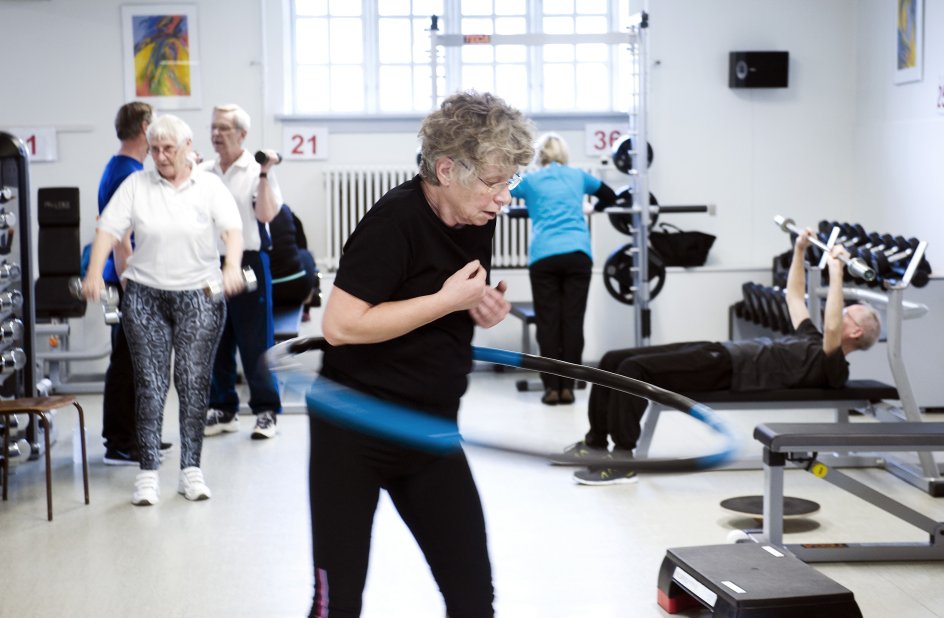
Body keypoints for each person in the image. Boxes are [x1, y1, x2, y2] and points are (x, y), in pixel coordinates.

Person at [309, 90, 533, 617]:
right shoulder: (393, 222)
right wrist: (444, 301)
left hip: (430, 427)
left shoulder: (478, 215)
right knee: (336, 604)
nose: (503, 198)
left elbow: (454, 295)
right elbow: (340, 326)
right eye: (493, 182)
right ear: (446, 169)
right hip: (354, 430)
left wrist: (480, 306)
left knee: (474, 598)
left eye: (509, 182)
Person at [564, 228, 882, 486]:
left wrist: (837, 271)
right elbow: (794, 296)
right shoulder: (811, 338)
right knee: (611, 358)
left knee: (633, 369)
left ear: (854, 333)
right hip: (719, 350)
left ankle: (622, 461)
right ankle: (594, 445)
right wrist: (800, 250)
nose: (839, 313)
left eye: (847, 315)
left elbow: (831, 325)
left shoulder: (833, 365)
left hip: (727, 369)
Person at [83, 114, 244, 506]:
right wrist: (92, 274)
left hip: (198, 296)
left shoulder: (208, 185)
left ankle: (191, 470)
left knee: (192, 384)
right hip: (146, 296)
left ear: (188, 146)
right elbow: (107, 229)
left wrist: (232, 267)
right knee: (151, 385)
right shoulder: (137, 184)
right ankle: (148, 473)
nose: (160, 156)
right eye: (154, 149)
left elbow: (232, 230)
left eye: (169, 149)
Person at [510, 132, 617, 405]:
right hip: (577, 254)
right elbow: (610, 196)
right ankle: (568, 387)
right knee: (572, 322)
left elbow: (504, 188)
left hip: (544, 255)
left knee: (548, 324)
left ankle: (552, 388)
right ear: (563, 154)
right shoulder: (578, 176)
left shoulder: (530, 180)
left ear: (540, 156)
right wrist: (592, 208)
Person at [199, 104, 283, 440]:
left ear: (242, 134)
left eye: (224, 128)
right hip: (210, 262)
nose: (216, 134)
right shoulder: (203, 172)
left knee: (255, 341)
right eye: (213, 128)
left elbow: (265, 216)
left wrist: (265, 174)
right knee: (216, 338)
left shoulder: (256, 168)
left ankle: (266, 411)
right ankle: (223, 408)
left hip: (249, 261)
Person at [96, 101, 172, 465]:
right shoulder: (127, 173)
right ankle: (121, 442)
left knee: (140, 363)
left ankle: (140, 435)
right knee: (128, 363)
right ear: (145, 127)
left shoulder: (127, 168)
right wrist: (133, 287)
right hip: (131, 284)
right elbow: (120, 237)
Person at [268, 204, 319, 318]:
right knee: (307, 255)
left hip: (265, 289)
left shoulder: (244, 216)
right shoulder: (285, 210)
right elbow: (302, 245)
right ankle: (306, 310)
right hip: (297, 285)